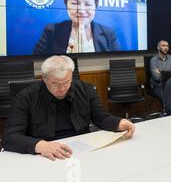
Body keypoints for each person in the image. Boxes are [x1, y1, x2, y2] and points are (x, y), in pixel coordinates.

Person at [2, 55, 134, 160]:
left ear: (71, 75)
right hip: (44, 153)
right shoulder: (26, 96)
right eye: (55, 84)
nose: (62, 88)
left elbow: (101, 118)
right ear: (44, 78)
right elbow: (9, 137)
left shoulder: (85, 89)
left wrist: (119, 123)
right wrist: (39, 145)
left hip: (81, 150)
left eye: (66, 82)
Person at [33, 0, 120, 54]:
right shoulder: (51, 31)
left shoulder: (109, 33)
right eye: (75, 3)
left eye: (88, 4)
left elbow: (117, 61)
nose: (81, 10)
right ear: (66, 5)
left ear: (95, 7)